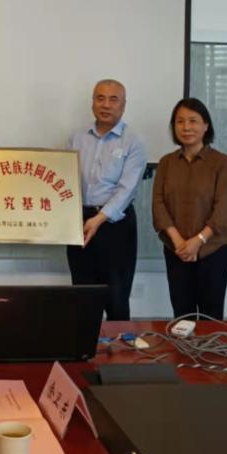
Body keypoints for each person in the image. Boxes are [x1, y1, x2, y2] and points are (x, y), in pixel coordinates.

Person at [66, 79, 147, 321]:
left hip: (115, 225)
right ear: (92, 103)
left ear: (123, 105)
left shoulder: (133, 142)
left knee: (116, 298)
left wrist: (99, 218)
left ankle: (118, 344)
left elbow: (126, 189)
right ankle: (84, 343)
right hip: (80, 222)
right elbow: (64, 182)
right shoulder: (76, 139)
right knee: (82, 295)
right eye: (100, 98)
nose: (106, 105)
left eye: (113, 99)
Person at [151, 98, 227, 319]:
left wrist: (198, 240)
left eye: (193, 121)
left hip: (213, 250)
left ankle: (210, 346)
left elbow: (225, 209)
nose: (186, 127)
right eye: (180, 121)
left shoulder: (223, 163)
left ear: (206, 125)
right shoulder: (166, 163)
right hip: (176, 250)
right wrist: (179, 242)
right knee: (181, 314)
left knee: (211, 315)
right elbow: (158, 203)